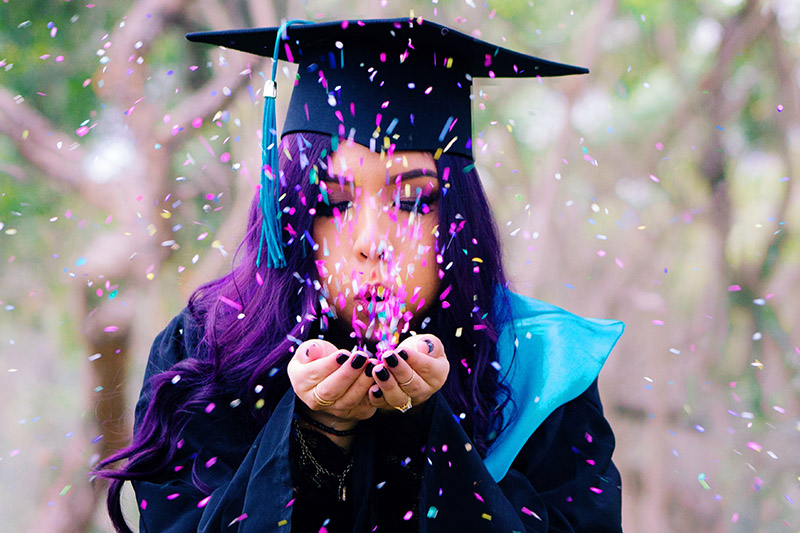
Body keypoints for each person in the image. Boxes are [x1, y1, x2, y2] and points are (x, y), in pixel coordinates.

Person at [96, 17, 625, 532]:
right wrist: (317, 437)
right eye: (333, 202)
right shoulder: (211, 348)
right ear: (292, 211)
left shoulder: (540, 363)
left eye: (415, 201)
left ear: (459, 219)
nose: (373, 242)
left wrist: (425, 433)